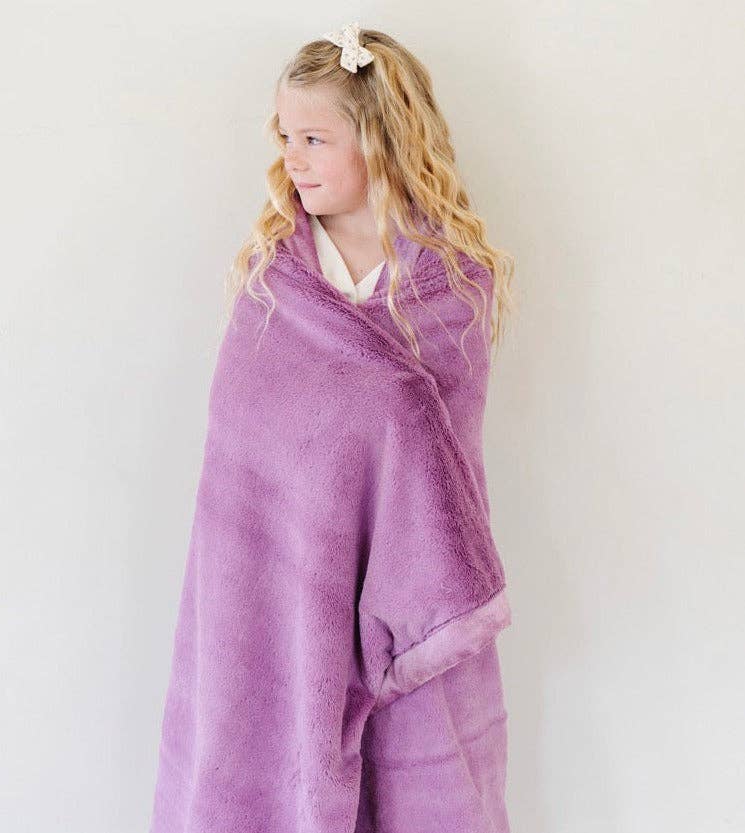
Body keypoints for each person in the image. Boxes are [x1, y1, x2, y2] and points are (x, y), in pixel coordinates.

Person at [149, 22, 517, 833]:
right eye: (285, 138)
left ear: (381, 139)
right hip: (276, 594)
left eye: (314, 138)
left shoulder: (457, 284)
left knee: (422, 781)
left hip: (413, 589)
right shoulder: (270, 285)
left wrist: (386, 402)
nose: (293, 158)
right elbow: (244, 462)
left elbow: (442, 467)